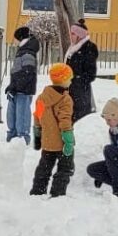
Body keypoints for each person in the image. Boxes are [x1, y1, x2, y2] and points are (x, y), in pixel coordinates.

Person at [31, 62, 76, 196]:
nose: (71, 81)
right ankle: (58, 193)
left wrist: (38, 136)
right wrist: (68, 141)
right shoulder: (65, 99)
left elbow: (37, 117)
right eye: (69, 79)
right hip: (62, 143)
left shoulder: (42, 98)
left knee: (44, 168)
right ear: (63, 80)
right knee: (65, 169)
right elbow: (65, 121)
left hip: (47, 142)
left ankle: (38, 191)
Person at [4, 24, 38, 143]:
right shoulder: (21, 51)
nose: (14, 42)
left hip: (23, 91)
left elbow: (27, 73)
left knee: (22, 116)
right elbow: (17, 72)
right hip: (16, 90)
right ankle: (12, 135)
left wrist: (15, 87)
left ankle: (22, 139)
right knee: (11, 115)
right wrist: (11, 86)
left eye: (15, 39)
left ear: (21, 38)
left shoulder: (28, 53)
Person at [65, 20, 99, 119]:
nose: (71, 36)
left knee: (79, 119)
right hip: (70, 89)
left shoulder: (88, 48)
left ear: (80, 35)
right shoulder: (72, 48)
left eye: (73, 34)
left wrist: (76, 81)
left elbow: (90, 74)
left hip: (80, 93)